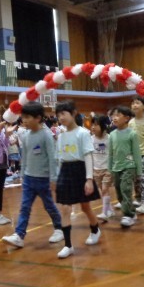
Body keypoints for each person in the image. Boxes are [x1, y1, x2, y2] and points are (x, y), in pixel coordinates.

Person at [1, 102, 63, 249]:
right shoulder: (26, 135)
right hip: (29, 179)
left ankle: (59, 228)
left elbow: (52, 158)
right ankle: (19, 235)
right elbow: (25, 157)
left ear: (38, 118)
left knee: (49, 206)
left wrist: (53, 178)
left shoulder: (46, 135)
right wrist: (23, 175)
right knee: (25, 207)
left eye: (27, 117)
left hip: (43, 179)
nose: (24, 120)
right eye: (23, 117)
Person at [54, 101, 101, 258]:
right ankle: (68, 245)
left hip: (80, 171)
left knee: (85, 207)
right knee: (65, 208)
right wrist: (56, 178)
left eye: (63, 113)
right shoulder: (61, 136)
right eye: (58, 115)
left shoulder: (83, 133)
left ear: (73, 113)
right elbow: (59, 158)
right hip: (65, 171)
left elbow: (88, 156)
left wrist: (89, 179)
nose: (61, 117)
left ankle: (95, 229)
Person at [108, 106, 142, 228]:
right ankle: (130, 211)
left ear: (126, 118)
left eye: (118, 115)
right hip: (116, 167)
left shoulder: (132, 134)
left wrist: (139, 172)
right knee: (119, 192)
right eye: (113, 115)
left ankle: (128, 215)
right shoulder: (112, 135)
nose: (114, 118)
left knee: (126, 189)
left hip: (129, 166)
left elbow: (136, 153)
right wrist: (109, 170)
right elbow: (110, 154)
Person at [91, 114, 116, 220]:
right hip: (96, 169)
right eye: (92, 124)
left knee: (105, 189)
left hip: (107, 169)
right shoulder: (90, 139)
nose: (93, 127)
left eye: (96, 125)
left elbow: (114, 153)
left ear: (103, 126)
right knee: (103, 190)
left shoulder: (109, 138)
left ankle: (105, 213)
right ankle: (110, 210)